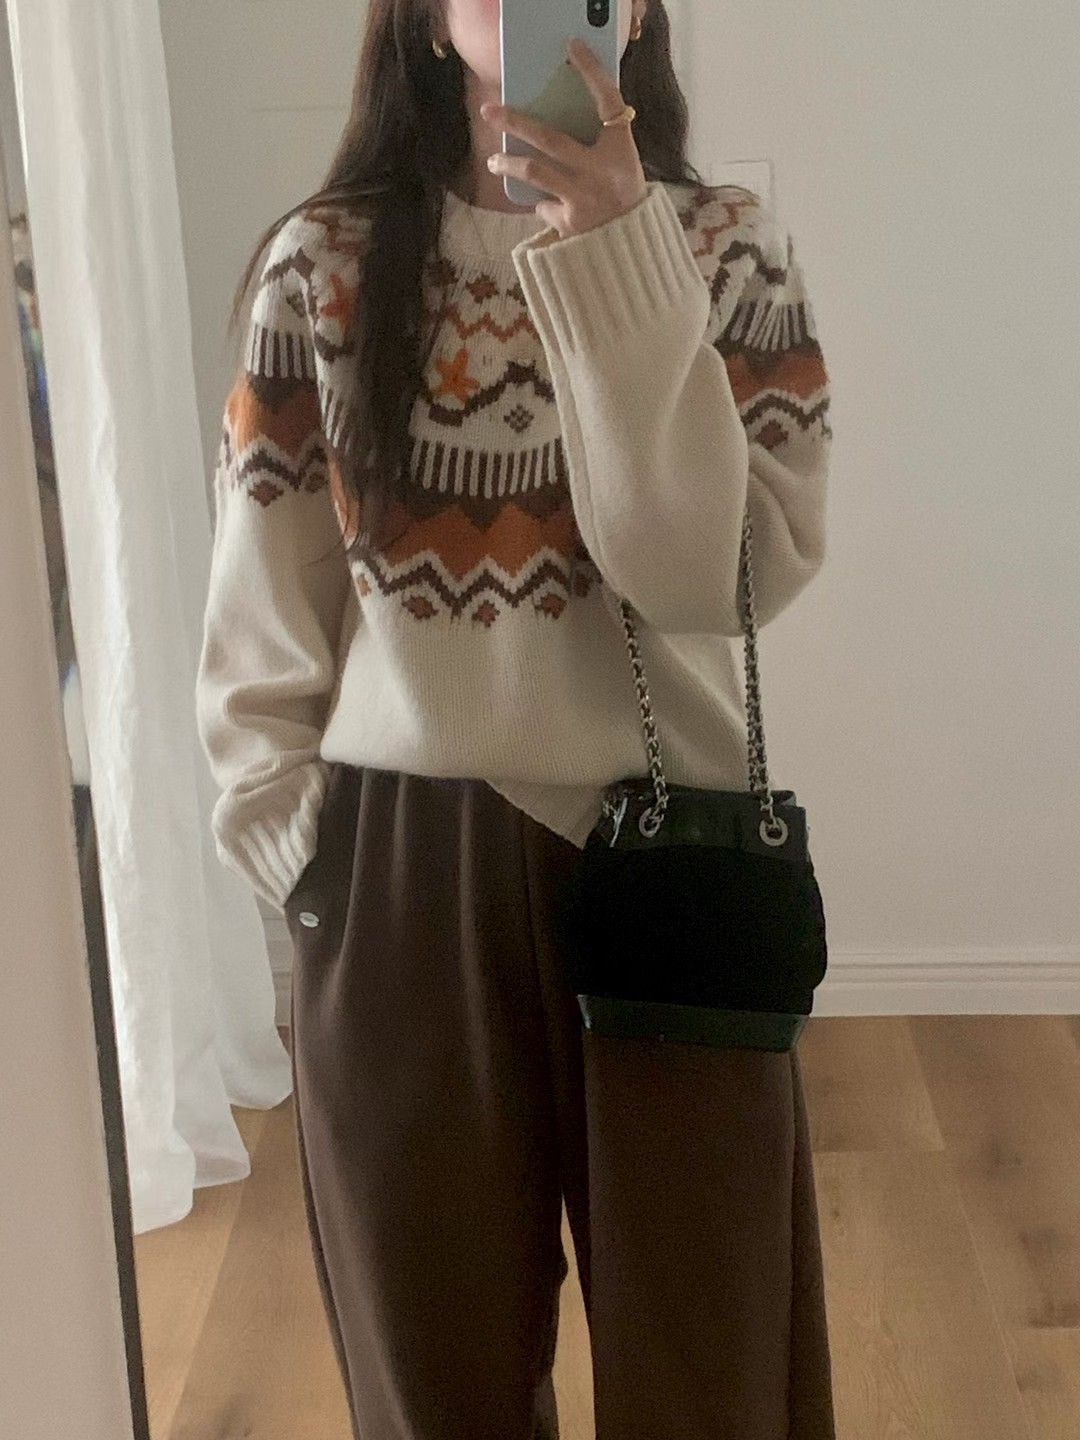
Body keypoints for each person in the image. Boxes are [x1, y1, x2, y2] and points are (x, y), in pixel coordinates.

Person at [195, 2, 837, 1436]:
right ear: (424, 20)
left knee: (714, 1375)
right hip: (398, 870)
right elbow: (263, 601)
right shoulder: (325, 265)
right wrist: (296, 849)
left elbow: (709, 580)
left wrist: (617, 256)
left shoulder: (727, 252)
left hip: (670, 856)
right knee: (436, 1386)